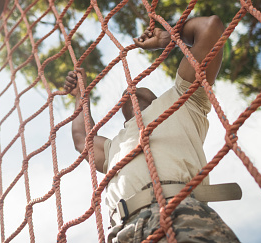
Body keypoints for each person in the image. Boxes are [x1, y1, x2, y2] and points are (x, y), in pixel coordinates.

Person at [64, 15, 241, 242]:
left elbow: (210, 28)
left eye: (140, 90)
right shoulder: (114, 146)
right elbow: (82, 140)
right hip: (123, 230)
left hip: (184, 212)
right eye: (127, 96)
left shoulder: (184, 101)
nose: (132, 91)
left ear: (155, 98)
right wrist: (80, 95)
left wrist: (168, 37)